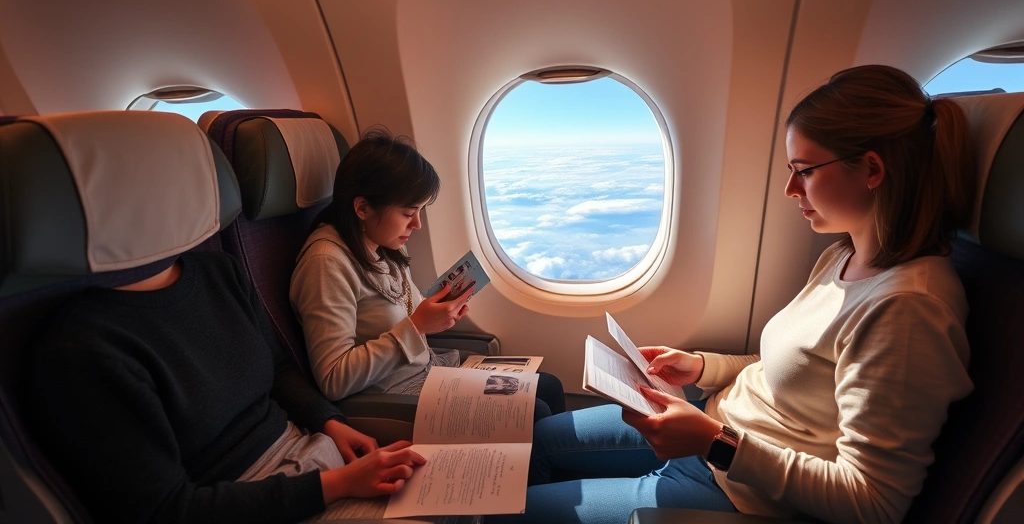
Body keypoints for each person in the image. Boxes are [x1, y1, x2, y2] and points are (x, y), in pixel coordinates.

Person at [488, 65, 976, 524]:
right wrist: (703, 366)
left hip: (735, 490)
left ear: (872, 169)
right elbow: (793, 373)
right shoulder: (843, 257)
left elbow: (874, 502)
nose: (789, 188)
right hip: (710, 425)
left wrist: (716, 444)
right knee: (534, 444)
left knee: (507, 510)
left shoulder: (908, 311)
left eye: (803, 170)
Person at [29, 251, 426, 523]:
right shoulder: (83, 348)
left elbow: (278, 367)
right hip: (250, 502)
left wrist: (331, 423)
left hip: (315, 461)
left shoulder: (219, 272)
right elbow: (167, 511)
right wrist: (338, 485)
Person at [290, 127, 565, 417]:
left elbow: (401, 310)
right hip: (391, 399)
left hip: (429, 372)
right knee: (535, 411)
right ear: (362, 208)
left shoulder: (380, 244)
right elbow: (334, 379)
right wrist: (418, 327)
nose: (417, 225)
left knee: (547, 387)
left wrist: (437, 312)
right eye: (409, 214)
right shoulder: (326, 264)